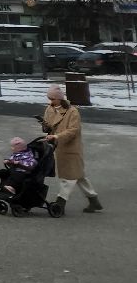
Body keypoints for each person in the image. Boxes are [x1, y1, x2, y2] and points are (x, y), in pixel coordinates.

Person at [42, 85, 104, 213]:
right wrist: (44, 126)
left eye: (53, 99)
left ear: (60, 98)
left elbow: (73, 130)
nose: (50, 101)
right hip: (59, 147)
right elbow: (48, 125)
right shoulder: (49, 109)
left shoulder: (72, 111)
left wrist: (57, 136)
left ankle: (60, 203)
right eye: (49, 98)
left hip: (71, 148)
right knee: (79, 175)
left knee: (69, 177)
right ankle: (94, 201)